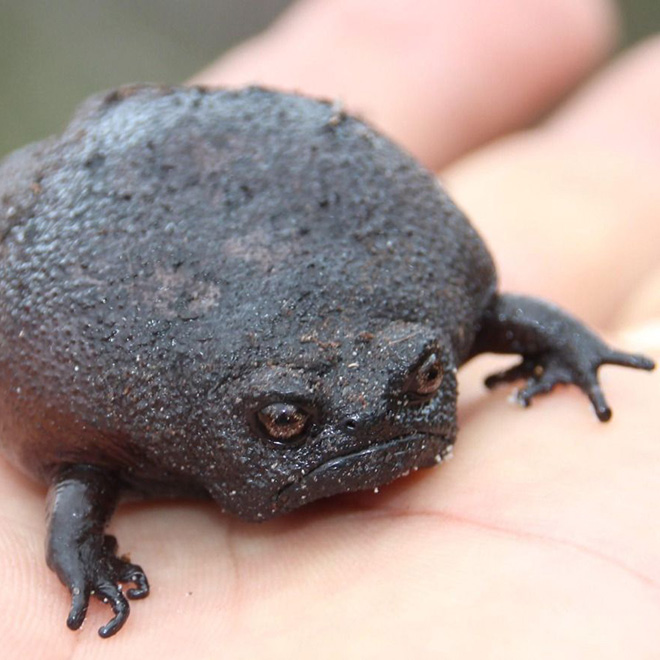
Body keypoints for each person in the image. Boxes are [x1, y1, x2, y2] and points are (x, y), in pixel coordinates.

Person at [1, 0, 658, 656]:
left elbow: (502, 314)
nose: (367, 418)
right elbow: (76, 492)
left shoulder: (432, 291)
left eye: (424, 378)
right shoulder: (109, 408)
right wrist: (85, 566)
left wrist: (577, 352)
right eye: (288, 421)